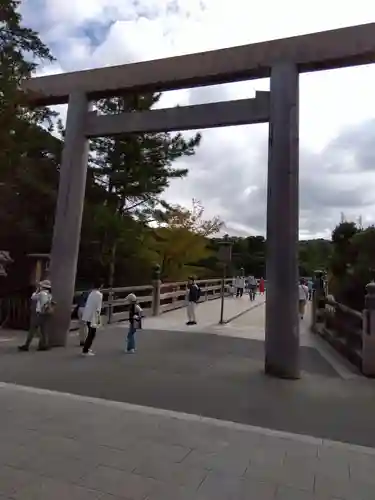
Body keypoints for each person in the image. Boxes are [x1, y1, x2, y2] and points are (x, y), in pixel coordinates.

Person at [18, 280, 54, 352]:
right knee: (43, 330)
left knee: (32, 330)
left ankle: (27, 345)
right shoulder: (49, 295)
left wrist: (37, 290)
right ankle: (44, 345)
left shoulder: (41, 294)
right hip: (45, 314)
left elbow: (33, 297)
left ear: (43, 287)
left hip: (39, 314)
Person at [81, 280, 103, 356]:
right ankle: (85, 350)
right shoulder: (99, 294)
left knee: (90, 333)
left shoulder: (91, 293)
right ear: (101, 286)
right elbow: (98, 307)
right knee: (92, 334)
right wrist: (98, 319)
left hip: (87, 315)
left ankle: (86, 348)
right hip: (93, 316)